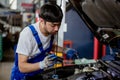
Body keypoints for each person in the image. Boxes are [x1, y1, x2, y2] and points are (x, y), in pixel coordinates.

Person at [11, 3, 77, 80]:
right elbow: (22, 67)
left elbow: (47, 45)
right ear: (42, 21)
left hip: (38, 73)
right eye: (53, 25)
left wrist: (65, 50)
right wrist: (42, 64)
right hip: (22, 76)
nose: (56, 29)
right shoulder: (28, 35)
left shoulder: (51, 32)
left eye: (58, 25)